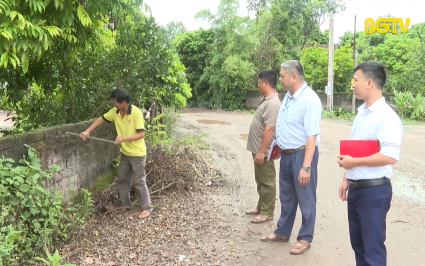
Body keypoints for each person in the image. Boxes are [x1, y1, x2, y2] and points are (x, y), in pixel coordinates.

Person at [337, 61, 403, 266]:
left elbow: (390, 156)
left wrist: (354, 162)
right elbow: (354, 149)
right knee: (359, 247)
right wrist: (346, 178)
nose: (352, 84)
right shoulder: (362, 114)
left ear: (369, 82)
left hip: (374, 192)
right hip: (357, 190)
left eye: (356, 80)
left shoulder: (386, 117)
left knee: (373, 250)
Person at [260, 60, 322, 255]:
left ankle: (305, 238)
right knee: (287, 196)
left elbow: (311, 135)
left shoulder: (310, 100)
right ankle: (282, 231)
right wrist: (279, 145)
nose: (279, 79)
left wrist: (306, 167)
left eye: (282, 76)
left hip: (303, 154)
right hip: (287, 155)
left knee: (306, 198)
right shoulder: (288, 95)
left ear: (294, 77)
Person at [79, 88, 153, 219]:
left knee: (139, 181)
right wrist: (87, 131)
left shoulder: (135, 113)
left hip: (137, 154)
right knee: (122, 180)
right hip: (125, 153)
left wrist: (123, 139)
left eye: (116, 102)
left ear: (123, 102)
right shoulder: (115, 112)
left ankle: (146, 208)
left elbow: (141, 134)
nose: (114, 104)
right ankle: (126, 206)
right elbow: (101, 119)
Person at [245, 69, 281, 224]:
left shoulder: (272, 103)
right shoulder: (267, 100)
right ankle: (261, 206)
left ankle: (267, 212)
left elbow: (269, 128)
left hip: (264, 151)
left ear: (266, 83)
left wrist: (261, 151)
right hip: (259, 150)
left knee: (267, 180)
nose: (258, 86)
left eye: (259, 83)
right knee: (260, 179)